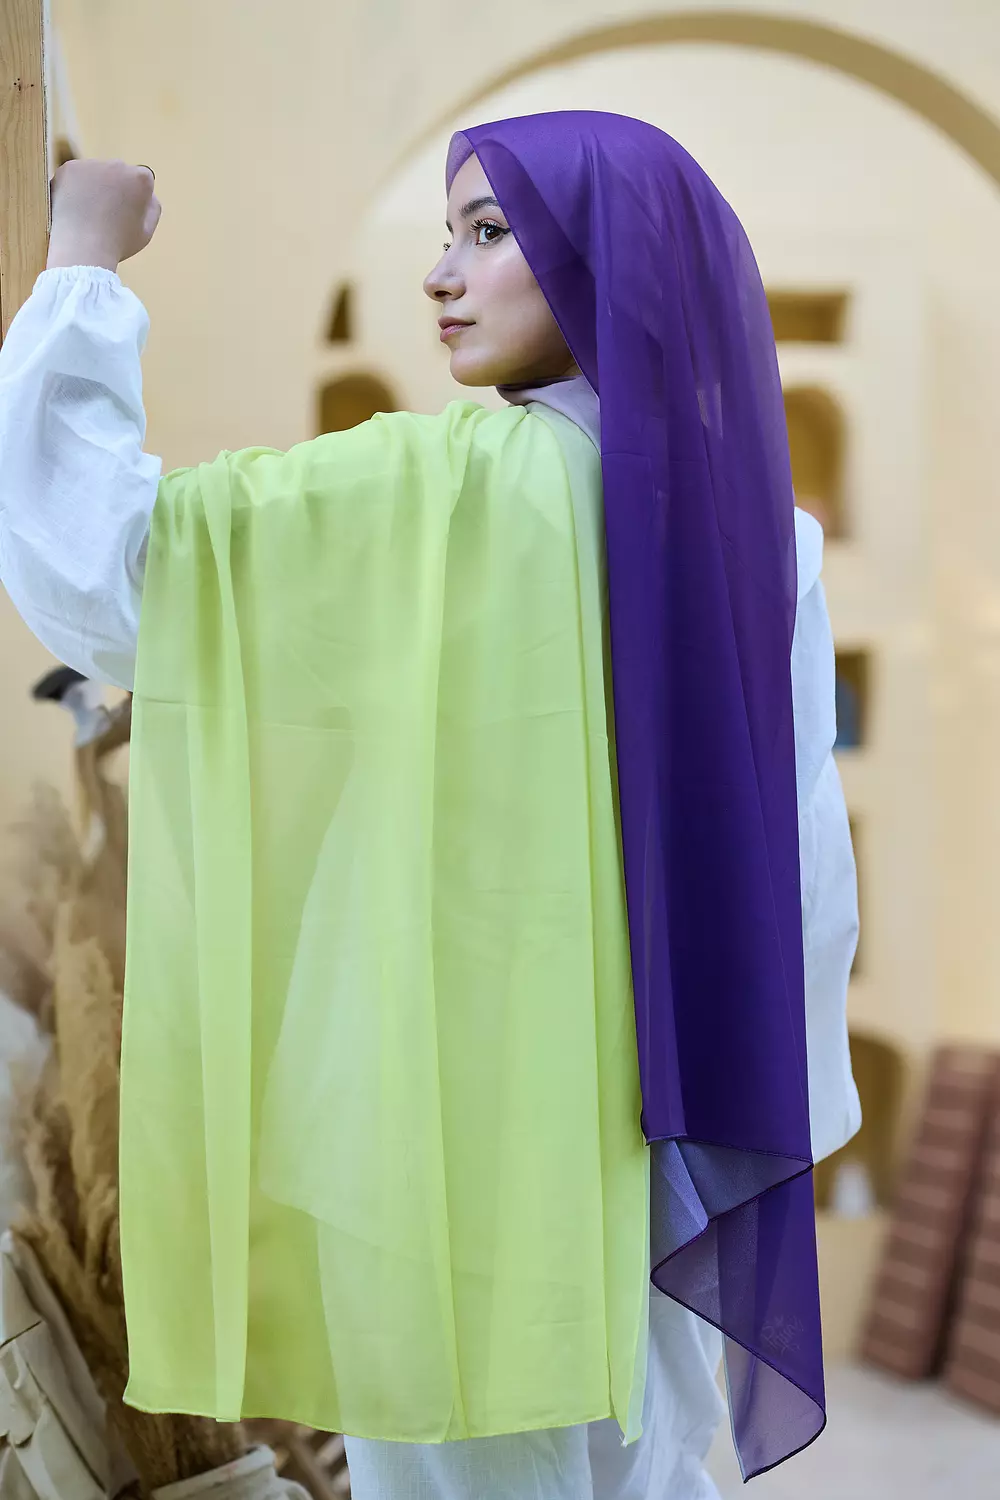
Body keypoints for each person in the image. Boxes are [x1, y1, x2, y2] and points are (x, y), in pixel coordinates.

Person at [0, 112, 860, 1500]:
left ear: (607, 254)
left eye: (490, 230)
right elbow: (806, 874)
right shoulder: (767, 536)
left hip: (445, 1138)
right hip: (671, 1139)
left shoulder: (443, 502)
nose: (440, 273)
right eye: (446, 234)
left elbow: (108, 571)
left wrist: (84, 267)